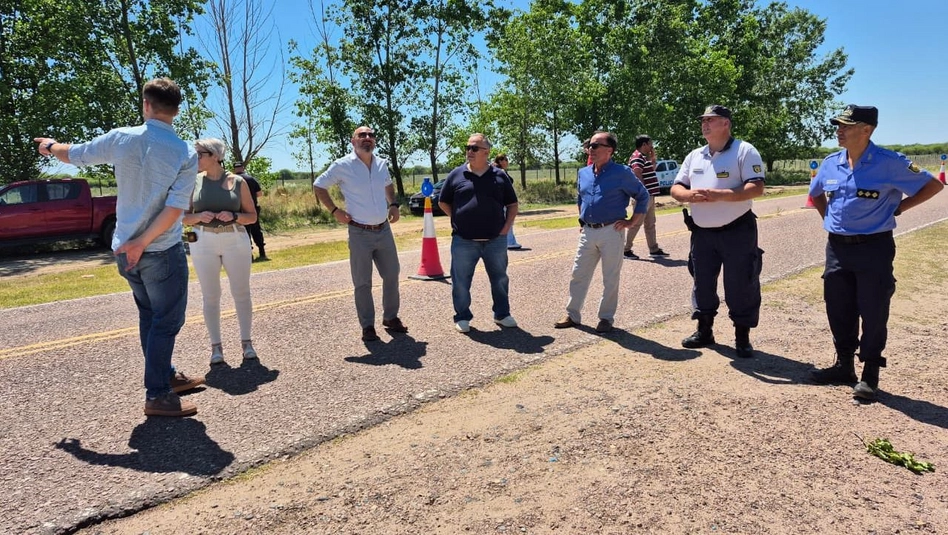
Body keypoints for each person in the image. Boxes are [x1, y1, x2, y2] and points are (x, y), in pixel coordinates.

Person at [33, 77, 205, 417]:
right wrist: (143, 242)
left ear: (146, 105)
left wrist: (51, 146)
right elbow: (175, 209)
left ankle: (165, 376)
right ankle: (157, 394)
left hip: (126, 251)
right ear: (176, 109)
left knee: (150, 316)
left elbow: (77, 154)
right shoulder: (185, 152)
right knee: (166, 321)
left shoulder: (122, 138)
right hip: (159, 251)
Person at [807, 104, 943, 400]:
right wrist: (829, 219)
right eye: (838, 125)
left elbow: (933, 185)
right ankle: (844, 365)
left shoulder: (890, 162)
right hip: (837, 248)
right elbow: (815, 193)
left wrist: (901, 207)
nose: (839, 130)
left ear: (866, 130)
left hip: (874, 247)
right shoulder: (831, 163)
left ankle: (870, 373)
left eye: (846, 126)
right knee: (838, 306)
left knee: (873, 308)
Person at [670, 105, 765, 358]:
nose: (705, 124)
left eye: (711, 120)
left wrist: (719, 195)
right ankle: (704, 330)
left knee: (741, 283)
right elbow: (676, 188)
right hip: (702, 233)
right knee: (702, 282)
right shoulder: (695, 156)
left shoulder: (744, 150)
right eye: (703, 120)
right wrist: (688, 195)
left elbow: (756, 188)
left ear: (726, 123)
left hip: (737, 231)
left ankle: (742, 337)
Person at [313, 126, 407, 342]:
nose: (367, 138)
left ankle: (391, 318)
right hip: (359, 231)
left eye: (371, 135)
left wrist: (393, 204)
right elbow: (319, 186)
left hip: (383, 230)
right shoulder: (342, 165)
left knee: (392, 274)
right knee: (363, 282)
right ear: (352, 140)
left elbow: (388, 184)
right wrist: (335, 211)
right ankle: (368, 326)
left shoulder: (381, 163)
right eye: (362, 135)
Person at [554, 131, 649, 333]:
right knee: (578, 274)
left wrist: (632, 221)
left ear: (609, 150)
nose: (591, 149)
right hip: (588, 232)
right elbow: (581, 198)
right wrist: (583, 219)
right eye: (590, 145)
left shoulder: (622, 172)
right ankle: (572, 314)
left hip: (611, 231)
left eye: (596, 146)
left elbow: (643, 195)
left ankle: (606, 318)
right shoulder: (584, 173)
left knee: (610, 277)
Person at [183, 139, 259, 366]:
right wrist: (197, 217)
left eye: (199, 154)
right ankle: (216, 348)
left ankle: (247, 343)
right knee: (210, 295)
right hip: (202, 240)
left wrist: (234, 216)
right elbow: (182, 216)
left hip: (235, 238)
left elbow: (252, 217)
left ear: (215, 155)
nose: (195, 159)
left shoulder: (238, 182)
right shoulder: (192, 182)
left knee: (241, 292)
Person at [438, 133, 519, 333]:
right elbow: (443, 201)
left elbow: (512, 204)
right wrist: (456, 218)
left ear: (486, 152)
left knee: (500, 279)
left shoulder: (499, 176)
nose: (469, 151)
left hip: (495, 240)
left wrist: (506, 227)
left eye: (474, 148)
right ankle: (462, 316)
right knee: (461, 281)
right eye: (467, 147)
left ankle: (502, 314)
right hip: (463, 240)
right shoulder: (456, 175)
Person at [623, 135, 668, 259]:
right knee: (636, 223)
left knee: (650, 223)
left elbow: (651, 170)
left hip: (649, 195)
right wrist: (643, 193)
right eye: (650, 144)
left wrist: (652, 159)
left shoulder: (643, 158)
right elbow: (637, 174)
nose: (652, 146)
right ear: (644, 144)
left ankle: (653, 249)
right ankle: (625, 250)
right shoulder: (637, 157)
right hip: (644, 197)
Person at [234, 161, 267, 261]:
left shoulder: (232, 179)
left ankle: (249, 255)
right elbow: (259, 194)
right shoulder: (251, 179)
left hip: (239, 210)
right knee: (256, 230)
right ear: (243, 168)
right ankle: (262, 251)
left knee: (244, 232)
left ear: (234, 169)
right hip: (253, 209)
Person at [493, 153, 523, 250]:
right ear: (500, 161)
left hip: (502, 201)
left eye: (506, 160)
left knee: (506, 221)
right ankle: (509, 242)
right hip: (505, 202)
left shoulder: (498, 171)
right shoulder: (501, 172)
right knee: (509, 221)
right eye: (505, 159)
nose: (507, 162)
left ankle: (508, 241)